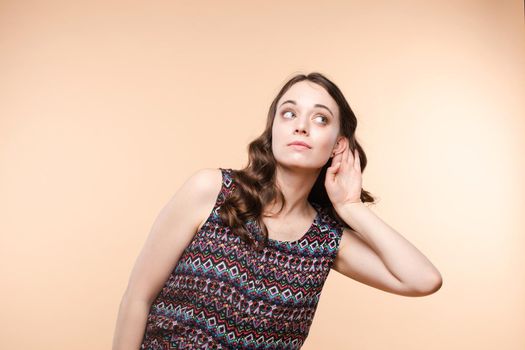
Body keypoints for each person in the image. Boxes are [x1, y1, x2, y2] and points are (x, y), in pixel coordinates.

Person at [112, 72, 443, 350]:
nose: (301, 126)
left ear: (338, 145)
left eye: (320, 118)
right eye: (289, 113)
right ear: (272, 130)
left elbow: (423, 280)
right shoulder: (212, 191)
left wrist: (351, 207)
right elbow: (137, 298)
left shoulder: (327, 242)